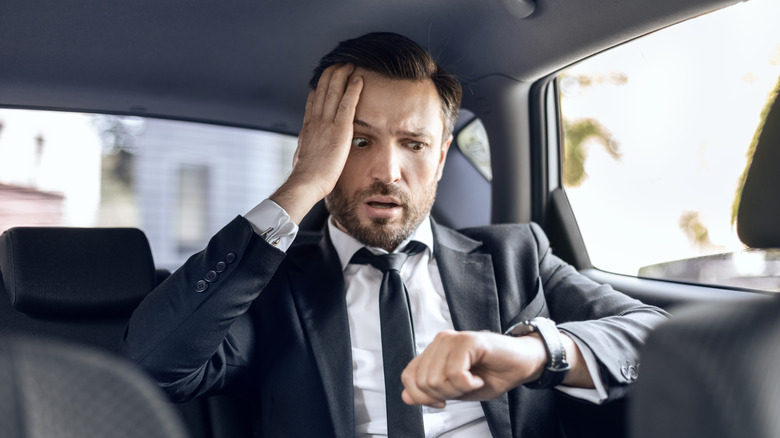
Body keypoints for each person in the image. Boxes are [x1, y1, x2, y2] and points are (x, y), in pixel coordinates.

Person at [122, 32, 668, 437]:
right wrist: (303, 183)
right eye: (360, 142)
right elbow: (154, 365)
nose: (388, 170)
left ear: (441, 155)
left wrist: (532, 354)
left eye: (414, 143)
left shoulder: (516, 255)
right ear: (319, 148)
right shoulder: (270, 285)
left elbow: (656, 337)